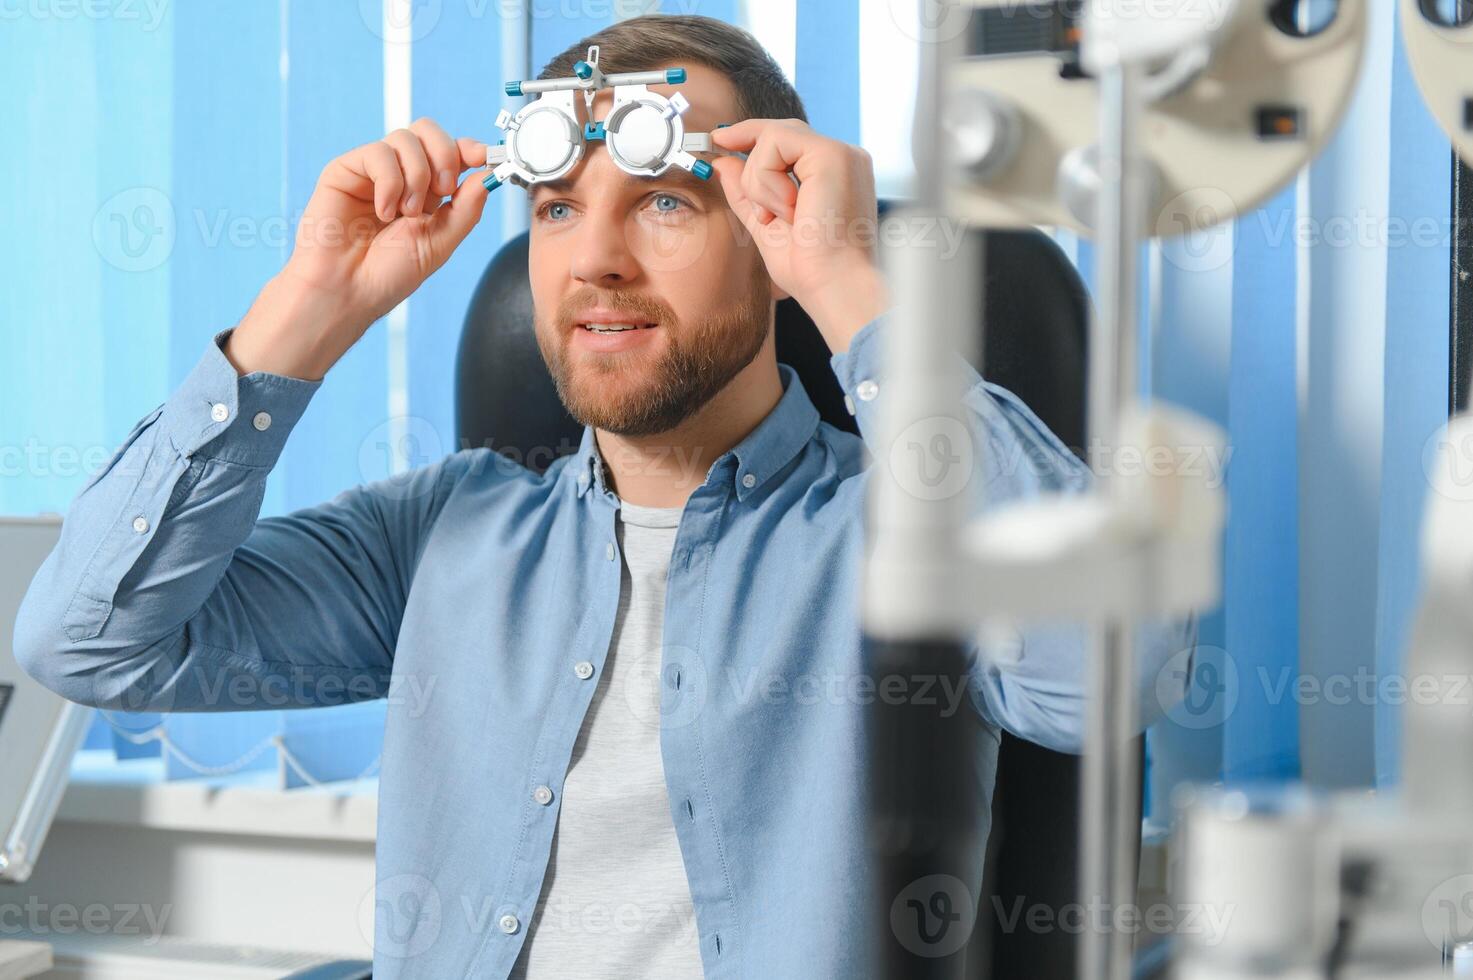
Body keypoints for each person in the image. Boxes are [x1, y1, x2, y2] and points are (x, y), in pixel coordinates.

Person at [14, 14, 1190, 979]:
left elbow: (1113, 670)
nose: (594, 262)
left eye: (665, 200)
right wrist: (309, 308)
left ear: (773, 238)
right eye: (558, 207)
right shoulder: (441, 532)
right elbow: (87, 642)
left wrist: (850, 282)